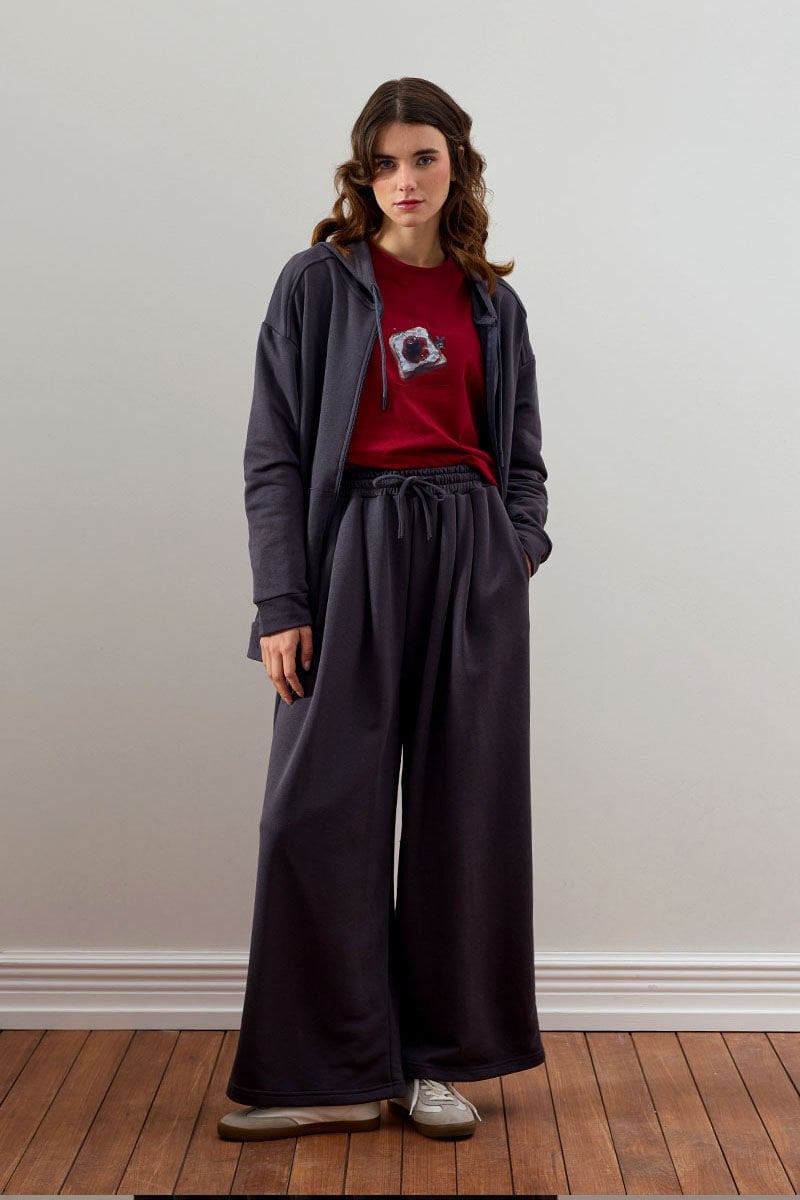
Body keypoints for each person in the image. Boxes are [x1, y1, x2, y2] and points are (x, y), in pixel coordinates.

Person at [217, 76, 553, 1144]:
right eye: (385, 163)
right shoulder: (316, 284)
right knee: (313, 814)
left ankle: (434, 1066)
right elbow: (273, 452)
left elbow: (524, 459)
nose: (404, 180)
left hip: (468, 556)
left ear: (457, 166)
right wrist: (283, 598)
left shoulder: (492, 303)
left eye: (423, 159)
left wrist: (513, 549)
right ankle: (328, 1072)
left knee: (463, 816)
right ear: (362, 174)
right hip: (351, 549)